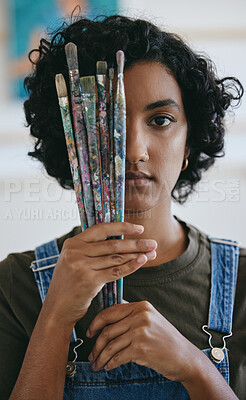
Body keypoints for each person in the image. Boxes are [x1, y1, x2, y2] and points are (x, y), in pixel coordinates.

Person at [0, 14, 245, 400]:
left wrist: (193, 366)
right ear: (70, 142)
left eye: (161, 120)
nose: (132, 150)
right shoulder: (15, 284)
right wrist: (56, 316)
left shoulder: (242, 285)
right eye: (105, 121)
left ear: (189, 142)